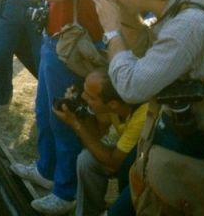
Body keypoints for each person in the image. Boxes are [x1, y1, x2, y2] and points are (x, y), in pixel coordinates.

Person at [11, 0, 128, 215]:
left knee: (64, 116)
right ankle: (46, 169)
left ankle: (65, 190)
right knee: (47, 111)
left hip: (70, 45)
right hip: (70, 40)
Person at [93, 0, 204, 214]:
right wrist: (125, 17)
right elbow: (149, 50)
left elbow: (131, 86)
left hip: (191, 149)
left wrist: (112, 30)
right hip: (175, 137)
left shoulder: (187, 25)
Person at [52, 69, 147, 216]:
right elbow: (95, 135)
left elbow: (113, 163)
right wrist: (79, 111)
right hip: (128, 157)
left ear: (113, 104)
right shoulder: (112, 101)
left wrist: (76, 125)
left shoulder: (141, 116)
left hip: (145, 165)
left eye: (90, 96)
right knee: (86, 160)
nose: (83, 96)